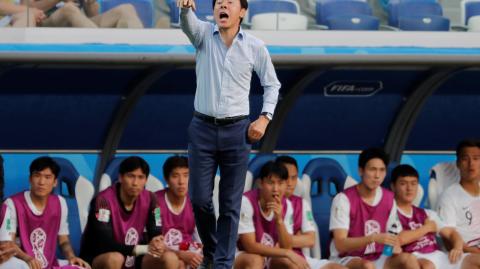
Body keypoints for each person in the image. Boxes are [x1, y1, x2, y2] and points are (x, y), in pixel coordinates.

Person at [178, 0, 281, 267]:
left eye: (229, 2)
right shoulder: (202, 34)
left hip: (238, 131)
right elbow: (187, 25)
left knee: (230, 204)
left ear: (242, 12)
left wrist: (264, 118)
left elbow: (272, 85)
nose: (222, 5)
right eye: (218, 3)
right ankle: (213, 253)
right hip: (202, 128)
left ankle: (221, 264)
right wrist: (185, 8)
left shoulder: (255, 46)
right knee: (200, 199)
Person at [329, 148, 419, 269]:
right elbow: (340, 244)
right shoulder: (343, 199)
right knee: (367, 266)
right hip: (346, 258)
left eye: (382, 170)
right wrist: (373, 238)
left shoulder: (388, 198)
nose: (377, 176)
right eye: (372, 169)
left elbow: (394, 234)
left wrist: (394, 246)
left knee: (409, 259)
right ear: (361, 171)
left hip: (378, 256)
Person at [3, 156, 90, 269]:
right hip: (22, 262)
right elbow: (8, 244)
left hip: (50, 263)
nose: (41, 182)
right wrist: (27, 258)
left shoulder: (60, 203)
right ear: (30, 179)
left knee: (82, 267)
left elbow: (63, 241)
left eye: (47, 177)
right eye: (37, 175)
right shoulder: (12, 204)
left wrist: (71, 257)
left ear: (55, 182)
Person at [80, 156, 166, 269]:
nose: (135, 183)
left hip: (134, 258)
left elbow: (156, 228)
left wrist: (157, 242)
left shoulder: (152, 198)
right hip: (98, 258)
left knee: (169, 258)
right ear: (120, 177)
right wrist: (143, 249)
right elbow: (105, 243)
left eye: (141, 177)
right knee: (115, 258)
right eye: (131, 176)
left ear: (146, 180)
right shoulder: (103, 201)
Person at [392, 164, 480, 269]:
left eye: (413, 183)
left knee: (476, 260)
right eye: (403, 183)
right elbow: (398, 239)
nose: (409, 188)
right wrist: (427, 228)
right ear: (393, 186)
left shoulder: (427, 213)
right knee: (427, 266)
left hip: (439, 256)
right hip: (414, 257)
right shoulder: (390, 213)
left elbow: (451, 233)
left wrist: (457, 247)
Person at [234, 160, 310, 269]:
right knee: (256, 260)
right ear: (261, 183)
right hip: (239, 253)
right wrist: (286, 253)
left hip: (268, 255)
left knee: (291, 264)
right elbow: (249, 246)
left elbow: (286, 246)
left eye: (280, 183)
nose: (276, 189)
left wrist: (279, 221)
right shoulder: (246, 201)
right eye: (271, 183)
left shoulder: (287, 205)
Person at [277, 155, 346, 269]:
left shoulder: (301, 203)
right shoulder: (266, 201)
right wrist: (297, 238)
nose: (290, 183)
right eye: (286, 178)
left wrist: (286, 240)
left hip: (299, 257)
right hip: (275, 258)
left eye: (294, 178)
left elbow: (310, 240)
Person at [154, 156, 204, 268]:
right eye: (175, 176)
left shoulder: (196, 203)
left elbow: (201, 241)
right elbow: (154, 242)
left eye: (186, 175)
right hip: (158, 255)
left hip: (188, 252)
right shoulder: (155, 203)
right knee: (177, 262)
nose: (181, 182)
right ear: (167, 179)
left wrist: (197, 255)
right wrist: (181, 255)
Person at [437, 139, 480, 254]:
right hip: (467, 255)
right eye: (465, 159)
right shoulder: (449, 196)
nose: (471, 163)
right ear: (458, 163)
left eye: (476, 158)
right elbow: (448, 242)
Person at [29, 0, 143, 28]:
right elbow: (26, 7)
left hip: (78, 23)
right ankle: (101, 48)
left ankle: (141, 51)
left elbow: (91, 16)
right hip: (45, 23)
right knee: (69, 9)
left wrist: (91, 3)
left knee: (127, 9)